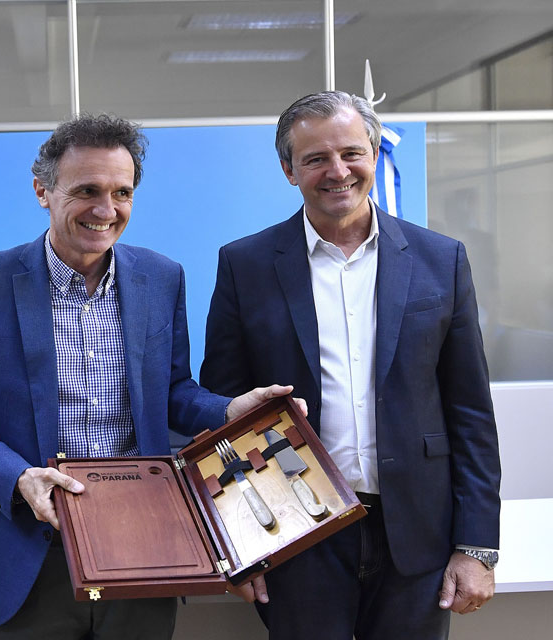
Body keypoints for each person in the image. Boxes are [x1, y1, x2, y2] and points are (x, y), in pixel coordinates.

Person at [0, 113, 299, 639]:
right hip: (28, 548)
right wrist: (18, 477)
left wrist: (229, 411)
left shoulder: (161, 277)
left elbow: (172, 392)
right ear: (43, 191)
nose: (106, 210)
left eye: (122, 193)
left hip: (141, 544)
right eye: (86, 191)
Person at [200, 91, 501, 639]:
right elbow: (223, 413)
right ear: (289, 170)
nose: (337, 171)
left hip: (419, 535)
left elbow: (471, 412)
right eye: (316, 158)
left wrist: (477, 546)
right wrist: (237, 542)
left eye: (351, 153)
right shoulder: (245, 265)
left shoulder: (441, 259)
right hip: (297, 529)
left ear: (374, 154)